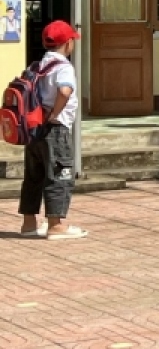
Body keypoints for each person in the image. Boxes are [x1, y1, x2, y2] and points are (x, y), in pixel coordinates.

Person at [18, 21, 87, 240]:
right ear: (68, 43)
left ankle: (29, 223)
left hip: (34, 130)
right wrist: (56, 113)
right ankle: (56, 225)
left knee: (33, 175)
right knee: (59, 174)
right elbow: (65, 91)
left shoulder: (36, 66)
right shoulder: (63, 67)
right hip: (54, 130)